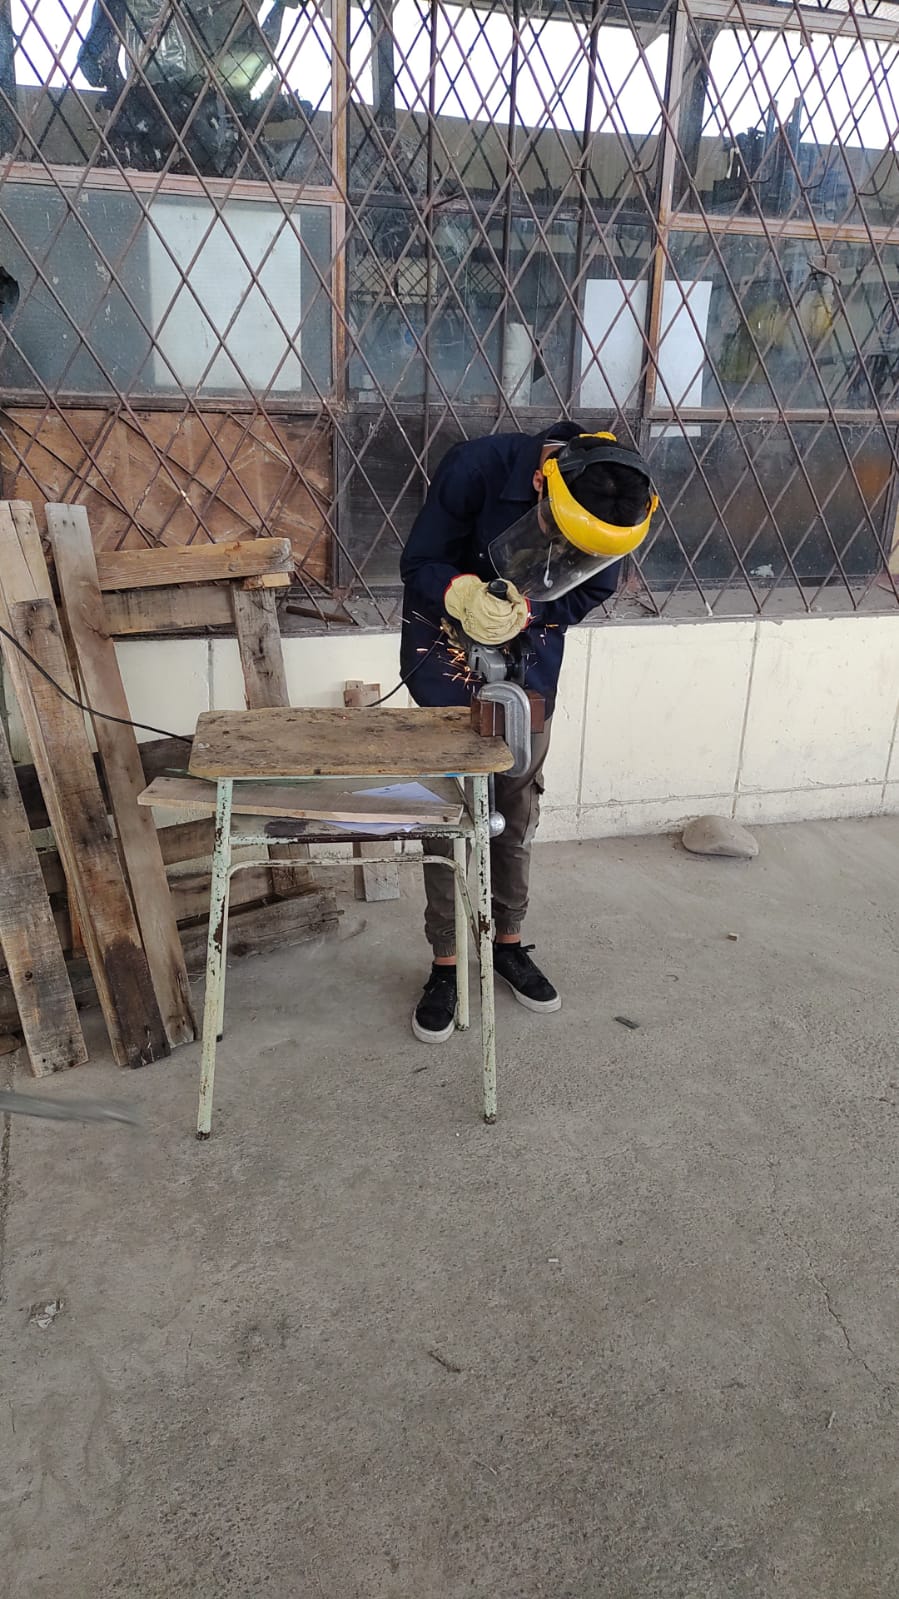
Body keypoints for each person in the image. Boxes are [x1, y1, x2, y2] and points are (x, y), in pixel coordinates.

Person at [399, 422, 657, 1043]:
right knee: (449, 814)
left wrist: (533, 610)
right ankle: (446, 963)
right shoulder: (476, 467)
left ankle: (507, 944)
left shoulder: (621, 502)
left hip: (528, 668)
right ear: (542, 484)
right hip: (444, 655)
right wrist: (463, 594)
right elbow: (419, 561)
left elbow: (591, 590)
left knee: (515, 812)